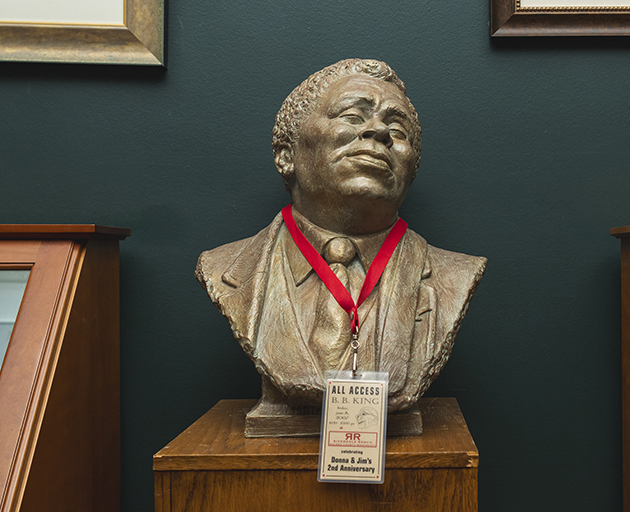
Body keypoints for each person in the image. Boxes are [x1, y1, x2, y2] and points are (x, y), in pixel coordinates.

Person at [196, 59, 485, 416]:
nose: (379, 132)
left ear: (411, 170)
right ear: (287, 155)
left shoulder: (453, 276)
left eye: (398, 129)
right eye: (352, 116)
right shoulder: (224, 269)